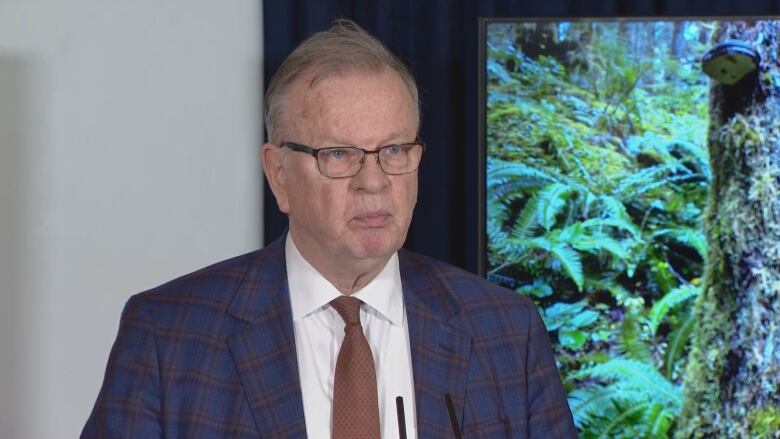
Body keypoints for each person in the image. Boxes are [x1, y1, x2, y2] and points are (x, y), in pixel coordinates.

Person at [82, 20, 577, 438]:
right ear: (279, 174)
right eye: (339, 154)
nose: (374, 182)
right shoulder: (170, 337)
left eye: (394, 151)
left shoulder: (506, 333)